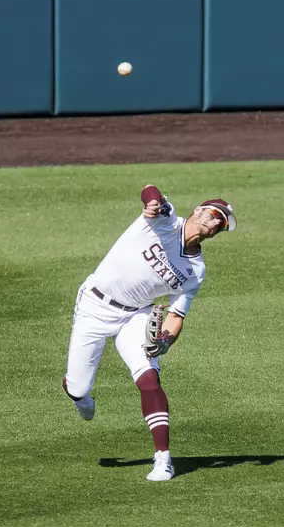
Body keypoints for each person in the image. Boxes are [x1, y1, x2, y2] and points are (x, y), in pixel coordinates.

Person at [63, 185, 236, 481]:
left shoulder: (195, 270)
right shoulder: (166, 221)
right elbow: (150, 191)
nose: (212, 224)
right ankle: (81, 397)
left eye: (219, 225)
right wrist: (152, 202)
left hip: (136, 315)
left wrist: (165, 342)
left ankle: (163, 459)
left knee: (149, 377)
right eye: (211, 215)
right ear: (196, 211)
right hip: (95, 304)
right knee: (77, 388)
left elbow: (176, 314)